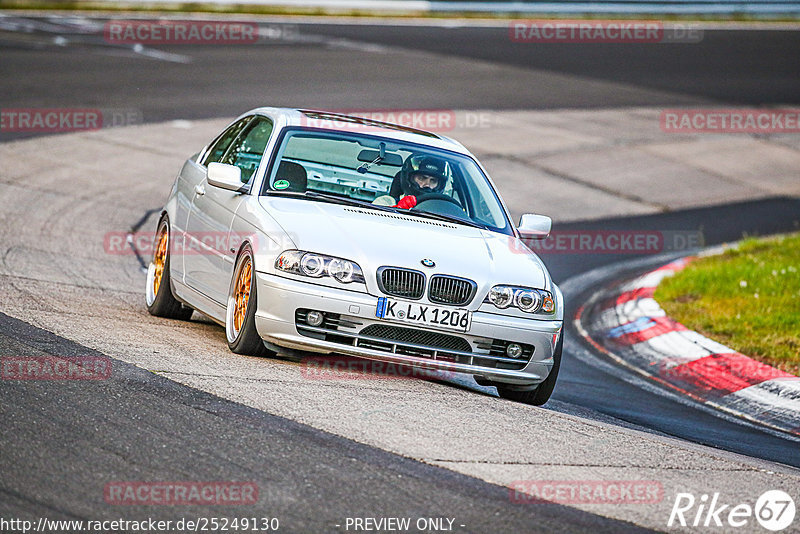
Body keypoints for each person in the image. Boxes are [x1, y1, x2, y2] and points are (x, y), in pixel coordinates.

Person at [373, 156, 448, 209]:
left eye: (433, 181)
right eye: (422, 178)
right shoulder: (386, 201)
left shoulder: (441, 209)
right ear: (409, 179)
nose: (427, 185)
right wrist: (397, 210)